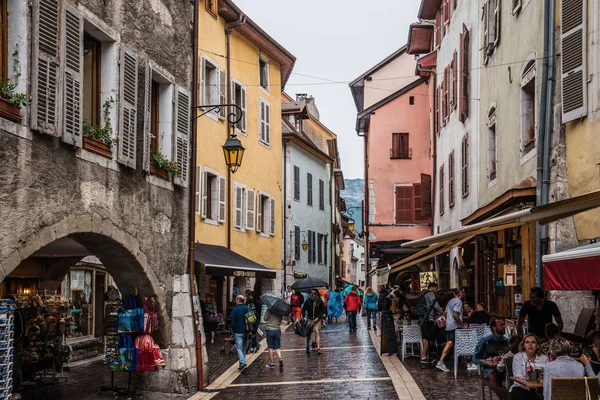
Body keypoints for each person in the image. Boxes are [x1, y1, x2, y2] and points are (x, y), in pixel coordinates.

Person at [437, 288, 473, 372]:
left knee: (450, 343)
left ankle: (441, 362)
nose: (464, 294)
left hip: (449, 325)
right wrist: (462, 324)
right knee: (466, 342)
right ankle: (469, 363)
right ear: (460, 293)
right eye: (463, 293)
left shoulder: (450, 301)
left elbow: (445, 313)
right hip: (455, 326)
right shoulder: (458, 302)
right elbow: (455, 314)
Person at [509, 334, 548, 399]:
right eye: (527, 342)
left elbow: (547, 376)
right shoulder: (518, 357)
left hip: (540, 389)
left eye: (533, 342)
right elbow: (518, 379)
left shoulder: (544, 358)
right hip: (521, 388)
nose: (530, 345)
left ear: (537, 346)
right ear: (524, 345)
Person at [474, 319, 509, 389]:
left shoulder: (507, 341)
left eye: (504, 324)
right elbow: (475, 359)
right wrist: (487, 361)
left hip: (504, 368)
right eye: (501, 325)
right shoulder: (485, 341)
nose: (504, 326)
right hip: (489, 368)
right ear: (494, 328)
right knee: (493, 374)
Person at [418, 282, 443, 364]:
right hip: (428, 318)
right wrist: (443, 312)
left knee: (425, 338)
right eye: (435, 289)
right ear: (432, 287)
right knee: (430, 338)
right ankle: (423, 356)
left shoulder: (422, 293)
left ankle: (427, 357)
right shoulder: (430, 293)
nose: (436, 291)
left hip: (422, 318)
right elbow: (435, 305)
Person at [302, 289, 326, 354]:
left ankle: (318, 347)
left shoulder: (319, 301)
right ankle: (307, 346)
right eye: (311, 295)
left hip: (317, 319)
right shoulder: (308, 301)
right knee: (309, 333)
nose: (311, 296)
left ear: (316, 295)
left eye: (313, 295)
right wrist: (304, 317)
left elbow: (322, 311)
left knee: (317, 331)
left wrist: (318, 318)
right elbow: (303, 309)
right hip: (309, 319)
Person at [230, 295, 249, 371]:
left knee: (238, 348)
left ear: (238, 300)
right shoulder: (246, 308)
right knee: (243, 347)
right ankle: (241, 364)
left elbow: (233, 322)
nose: (235, 301)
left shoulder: (235, 309)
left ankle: (243, 362)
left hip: (238, 330)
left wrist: (233, 330)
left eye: (236, 299)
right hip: (246, 330)